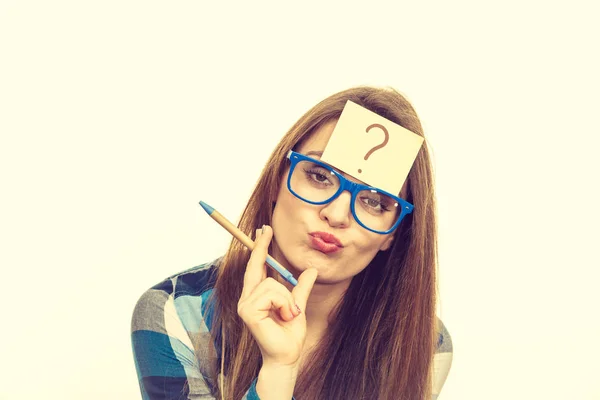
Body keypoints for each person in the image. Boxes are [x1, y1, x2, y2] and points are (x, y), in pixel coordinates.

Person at [131, 86, 453, 400]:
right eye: (319, 176)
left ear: (393, 234)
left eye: (374, 201)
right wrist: (277, 372)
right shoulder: (176, 313)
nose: (337, 214)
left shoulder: (425, 345)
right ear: (276, 182)